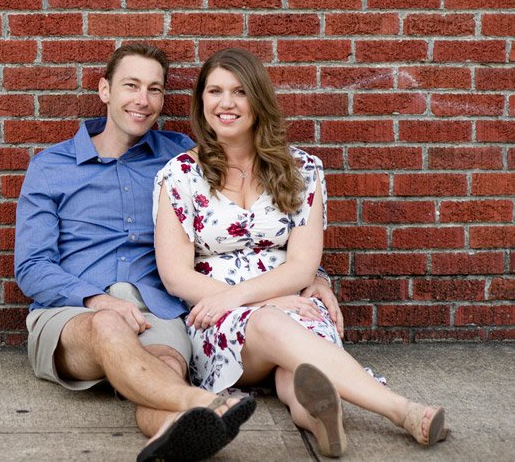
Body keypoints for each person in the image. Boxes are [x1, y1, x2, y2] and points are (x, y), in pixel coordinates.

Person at [15, 43, 341, 461]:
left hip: (157, 309)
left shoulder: (182, 159)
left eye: (154, 89)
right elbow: (31, 266)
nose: (142, 100)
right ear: (104, 90)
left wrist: (314, 276)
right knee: (108, 327)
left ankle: (173, 430)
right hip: (72, 311)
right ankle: (207, 405)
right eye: (130, 86)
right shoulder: (52, 165)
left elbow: (248, 222)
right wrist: (96, 300)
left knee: (165, 368)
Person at [153, 48, 449, 458]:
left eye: (239, 92)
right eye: (215, 91)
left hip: (295, 305)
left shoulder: (303, 170)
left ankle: (320, 419)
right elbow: (175, 275)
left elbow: (303, 265)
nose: (226, 103)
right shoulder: (180, 176)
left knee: (301, 377)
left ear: (258, 99)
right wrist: (259, 299)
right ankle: (402, 410)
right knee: (272, 324)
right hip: (218, 314)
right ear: (201, 101)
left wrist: (271, 297)